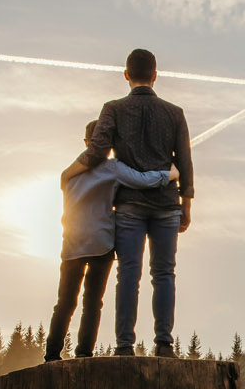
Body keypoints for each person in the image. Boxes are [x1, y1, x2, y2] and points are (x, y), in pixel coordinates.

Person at [77, 47, 193, 356]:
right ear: (155, 75)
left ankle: (124, 345)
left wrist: (72, 172)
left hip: (128, 205)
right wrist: (187, 203)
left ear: (127, 74)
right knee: (164, 273)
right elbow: (184, 160)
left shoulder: (113, 109)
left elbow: (98, 152)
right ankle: (164, 344)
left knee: (129, 273)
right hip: (167, 204)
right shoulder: (175, 113)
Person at [46, 121, 173, 360]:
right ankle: (84, 353)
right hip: (101, 243)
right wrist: (169, 174)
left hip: (71, 244)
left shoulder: (69, 173)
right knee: (93, 302)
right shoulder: (113, 168)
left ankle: (52, 354)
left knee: (65, 302)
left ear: (86, 143)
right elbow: (143, 180)